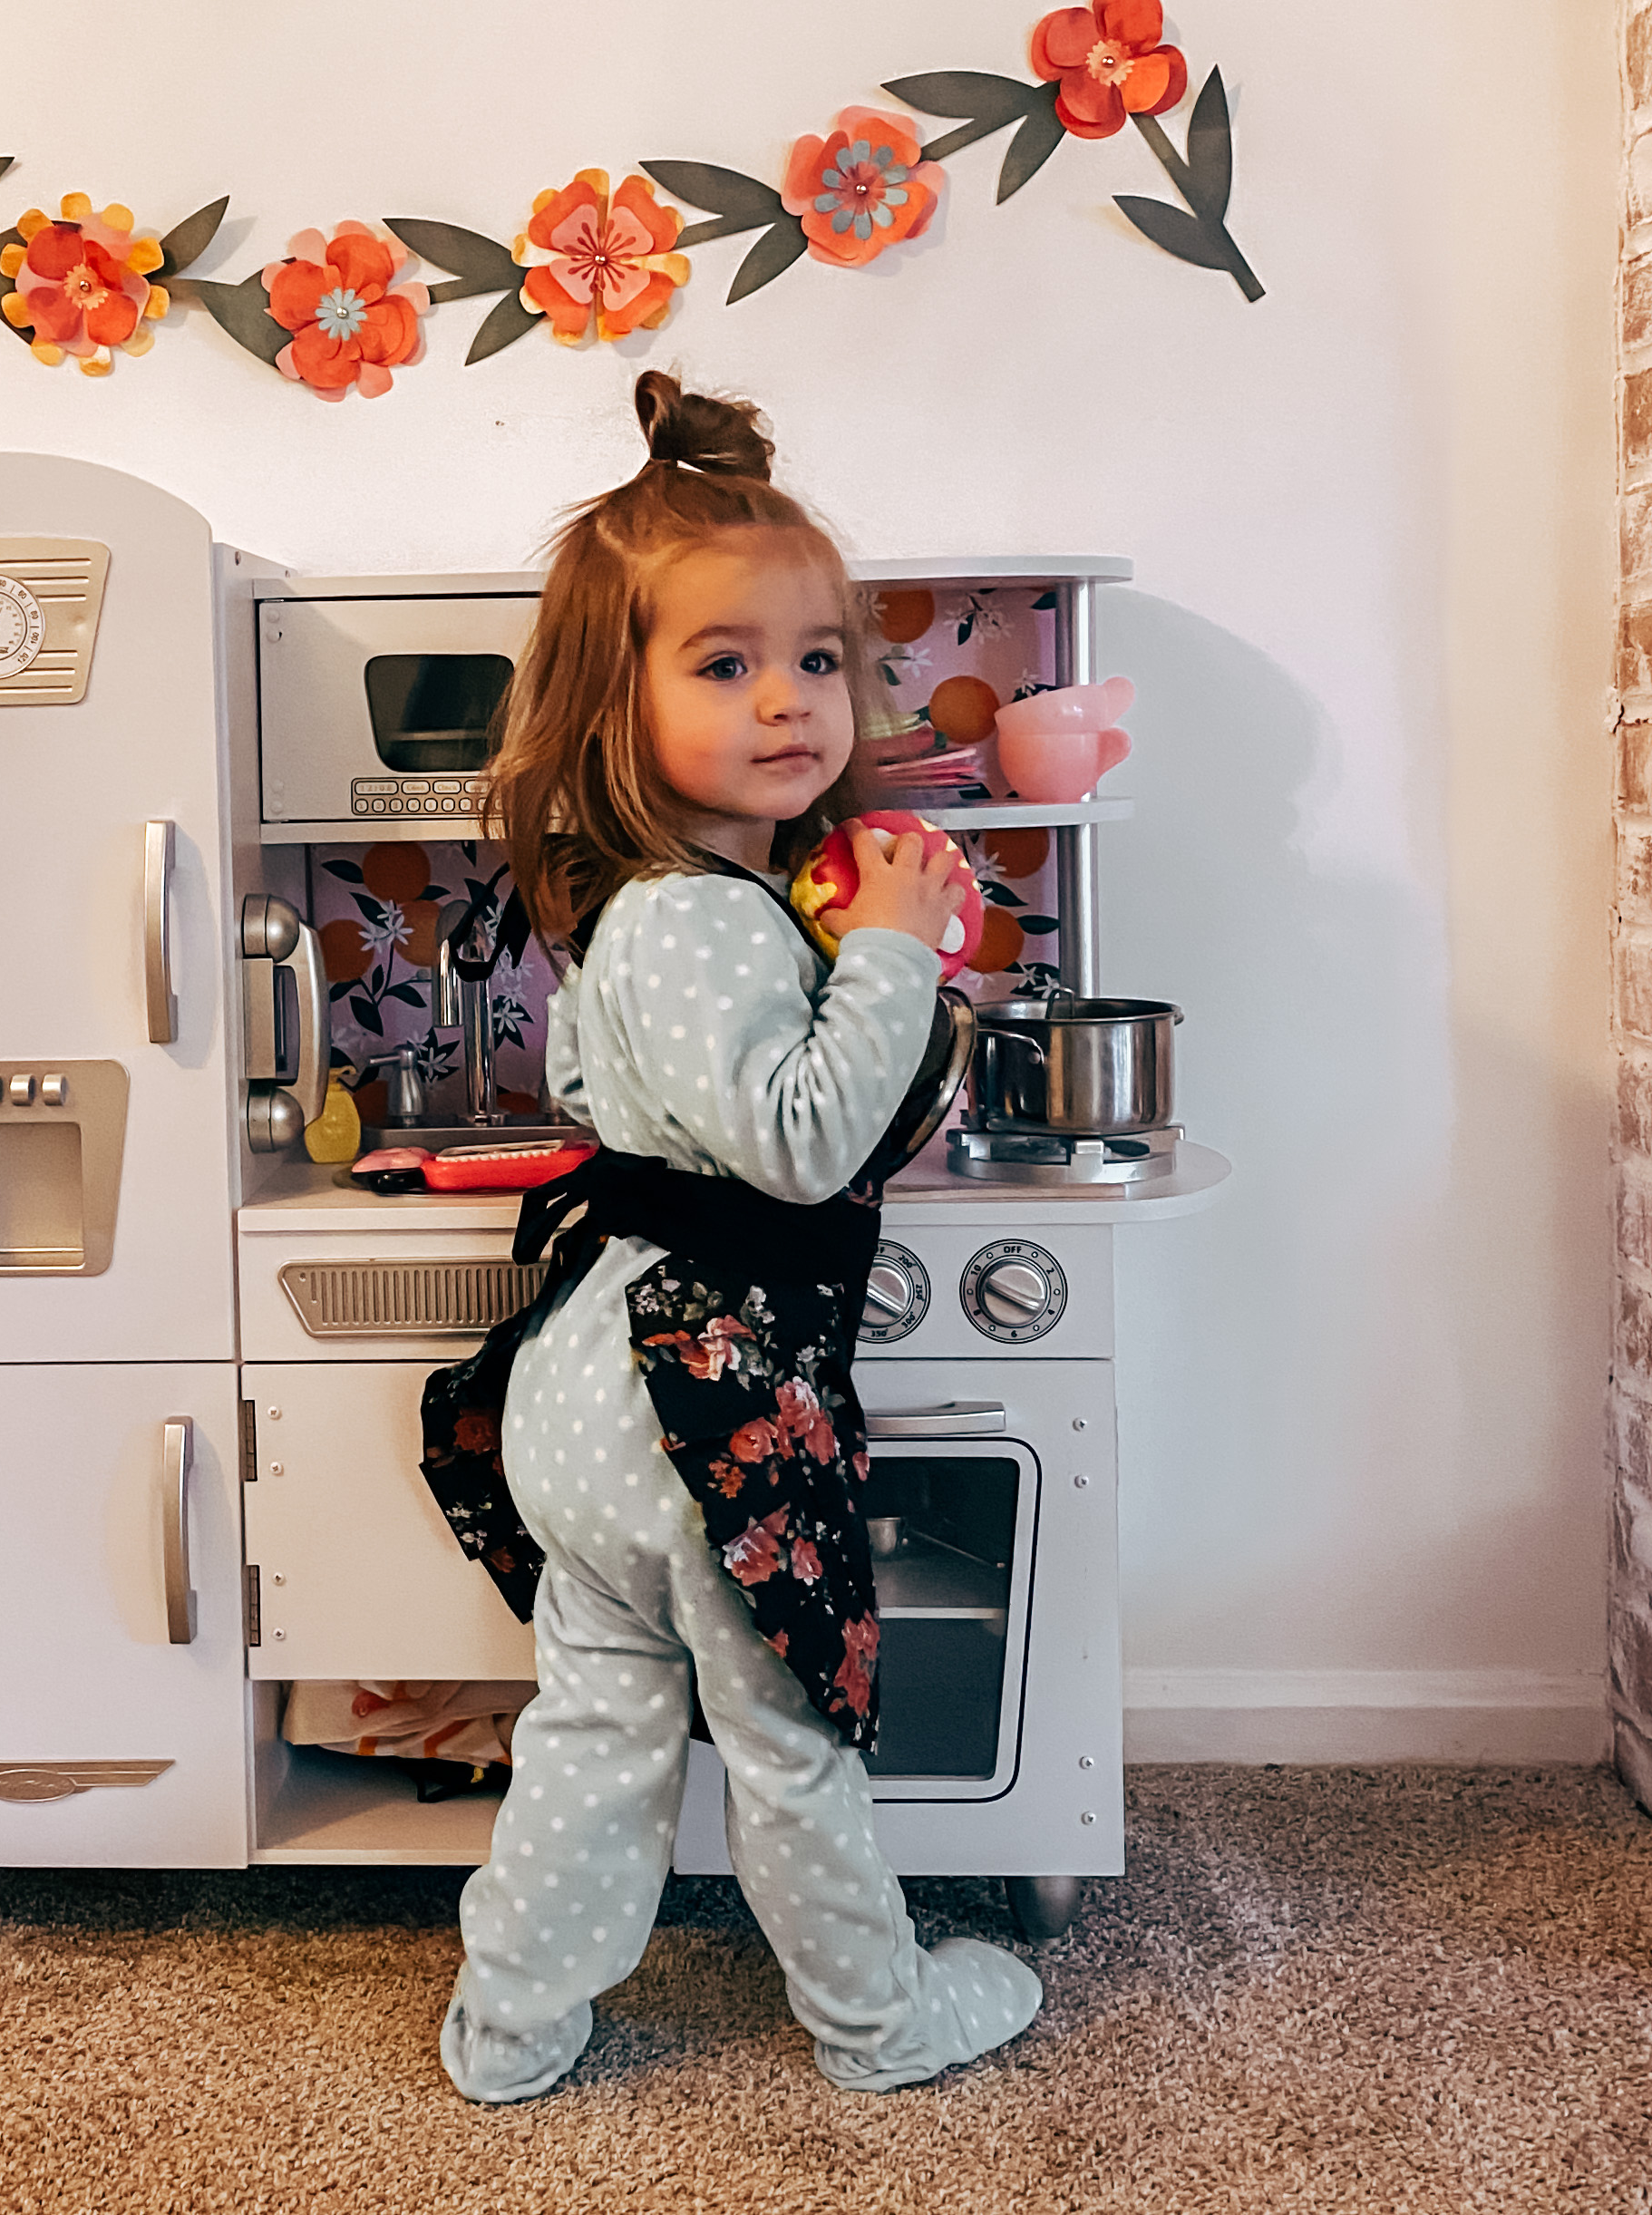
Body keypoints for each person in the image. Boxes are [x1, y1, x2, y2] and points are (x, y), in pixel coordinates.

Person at [428, 371, 1045, 2102]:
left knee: (601, 1731)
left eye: (820, 659)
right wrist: (901, 947)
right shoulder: (707, 921)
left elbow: (744, 1118)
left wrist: (858, 967)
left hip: (600, 1399)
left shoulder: (665, 912)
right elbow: (795, 1146)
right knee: (792, 1740)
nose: (789, 700)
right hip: (689, 1404)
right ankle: (877, 2018)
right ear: (613, 706)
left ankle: (515, 2024)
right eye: (723, 664)